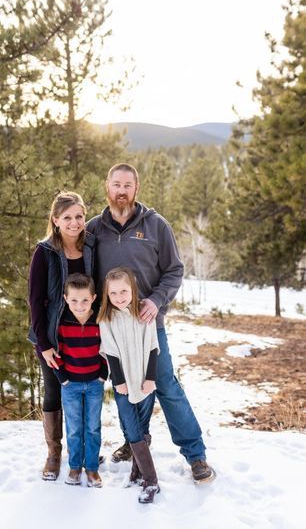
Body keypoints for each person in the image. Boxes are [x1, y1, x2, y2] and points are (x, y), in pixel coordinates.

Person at [87, 163, 216, 484]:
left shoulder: (156, 225)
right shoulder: (93, 229)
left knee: (166, 386)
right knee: (127, 387)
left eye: (127, 185)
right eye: (116, 184)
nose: (121, 190)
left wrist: (156, 300)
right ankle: (137, 443)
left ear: (136, 188)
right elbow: (84, 275)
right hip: (113, 327)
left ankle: (195, 454)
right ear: (107, 186)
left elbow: (174, 270)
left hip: (148, 324)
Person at [28, 191, 95, 481]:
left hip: (86, 335)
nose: (74, 222)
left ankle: (81, 453)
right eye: (67, 217)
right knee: (55, 391)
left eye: (79, 216)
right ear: (55, 220)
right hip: (54, 337)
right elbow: (35, 300)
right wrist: (43, 344)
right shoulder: (45, 252)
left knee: (83, 394)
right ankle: (54, 454)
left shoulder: (92, 246)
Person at [98, 266, 160, 504]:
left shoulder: (143, 313)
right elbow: (111, 352)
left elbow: (153, 346)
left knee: (142, 427)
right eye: (113, 293)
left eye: (123, 291)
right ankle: (151, 480)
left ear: (132, 289)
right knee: (131, 428)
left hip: (145, 380)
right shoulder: (107, 318)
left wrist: (150, 378)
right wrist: (120, 382)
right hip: (123, 384)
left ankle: (138, 473)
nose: (119, 297)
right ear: (107, 295)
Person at [54, 273, 107, 488]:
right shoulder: (62, 322)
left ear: (93, 298)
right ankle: (75, 466)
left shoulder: (100, 321)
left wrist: (104, 375)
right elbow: (56, 353)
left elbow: (107, 350)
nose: (79, 305)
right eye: (74, 300)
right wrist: (63, 378)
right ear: (66, 298)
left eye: (85, 300)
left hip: (95, 382)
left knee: (93, 427)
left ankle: (92, 468)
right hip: (71, 385)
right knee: (74, 427)